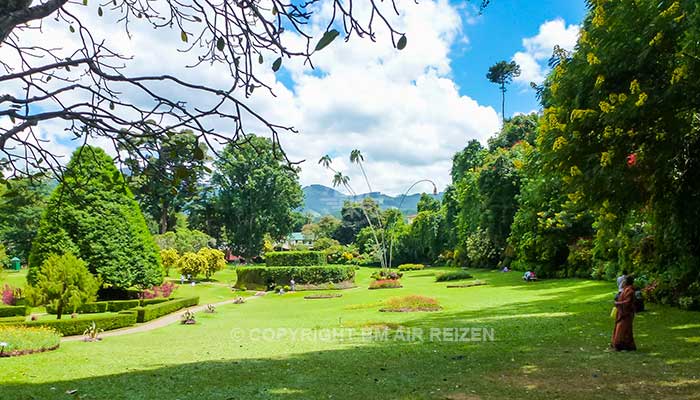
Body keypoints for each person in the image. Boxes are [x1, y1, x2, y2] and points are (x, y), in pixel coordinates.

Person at [611, 275, 637, 351]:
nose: (623, 282)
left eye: (624, 280)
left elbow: (628, 302)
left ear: (627, 282)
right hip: (622, 313)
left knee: (623, 329)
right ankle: (625, 345)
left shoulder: (630, 290)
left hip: (627, 314)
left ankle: (621, 345)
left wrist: (618, 303)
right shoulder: (625, 289)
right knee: (623, 329)